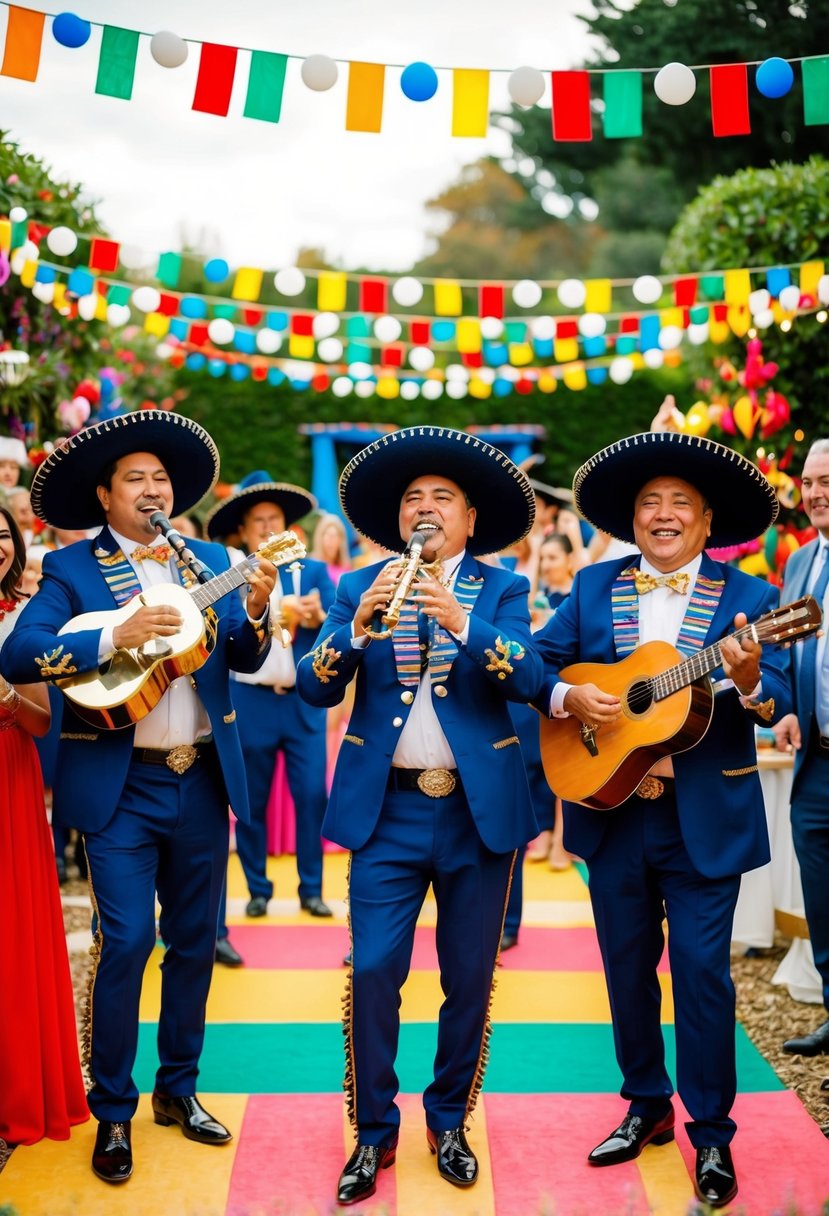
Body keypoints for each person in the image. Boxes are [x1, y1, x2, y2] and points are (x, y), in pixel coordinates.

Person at [0, 410, 277, 1185]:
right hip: (120, 784)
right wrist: (111, 639)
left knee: (194, 944)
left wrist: (254, 605)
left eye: (161, 480)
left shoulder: (213, 558)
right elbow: (20, 649)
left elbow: (246, 654)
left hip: (203, 780)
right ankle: (112, 1108)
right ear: (104, 494)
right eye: (136, 480)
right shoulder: (70, 569)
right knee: (126, 942)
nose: (153, 491)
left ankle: (177, 1091)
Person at [532, 430, 791, 1208]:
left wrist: (746, 680)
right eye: (650, 503)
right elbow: (539, 664)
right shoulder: (591, 586)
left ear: (708, 521)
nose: (664, 514)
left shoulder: (749, 600)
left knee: (703, 977)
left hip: (703, 816)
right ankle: (644, 1103)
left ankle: (710, 1134)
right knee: (623, 969)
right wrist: (570, 697)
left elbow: (775, 694)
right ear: (631, 519)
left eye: (681, 502)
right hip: (612, 812)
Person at [296, 425, 542, 1206]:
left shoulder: (501, 589)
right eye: (411, 500)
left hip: (477, 814)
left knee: (468, 978)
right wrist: (351, 628)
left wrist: (463, 623)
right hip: (387, 813)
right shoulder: (357, 585)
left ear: (470, 519)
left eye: (441, 499)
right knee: (372, 971)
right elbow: (314, 687)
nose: (424, 509)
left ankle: (447, 1121)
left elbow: (530, 677)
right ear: (396, 519)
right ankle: (371, 1131)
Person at [206, 471, 336, 928]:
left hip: (301, 703)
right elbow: (224, 630)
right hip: (252, 701)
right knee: (252, 800)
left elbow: (340, 631)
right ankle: (258, 889)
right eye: (257, 520)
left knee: (311, 797)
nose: (265, 527)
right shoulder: (229, 575)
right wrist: (277, 612)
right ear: (243, 529)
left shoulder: (314, 570)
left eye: (273, 518)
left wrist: (318, 616)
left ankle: (313, 889)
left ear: (286, 524)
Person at [0, 505, 89, 1147]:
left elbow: (37, 723)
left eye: (3, 537)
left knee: (12, 931)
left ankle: (15, 1095)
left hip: (8, 776)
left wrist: (4, 692)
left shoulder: (23, 624)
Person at [773, 438, 829, 1059]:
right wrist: (785, 706)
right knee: (823, 903)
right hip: (816, 759)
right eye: (809, 482)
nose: (815, 493)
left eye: (827, 481)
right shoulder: (799, 563)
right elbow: (791, 659)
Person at [311, 511, 352, 585]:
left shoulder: (346, 570)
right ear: (321, 538)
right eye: (329, 536)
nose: (331, 542)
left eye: (335, 536)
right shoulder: (312, 566)